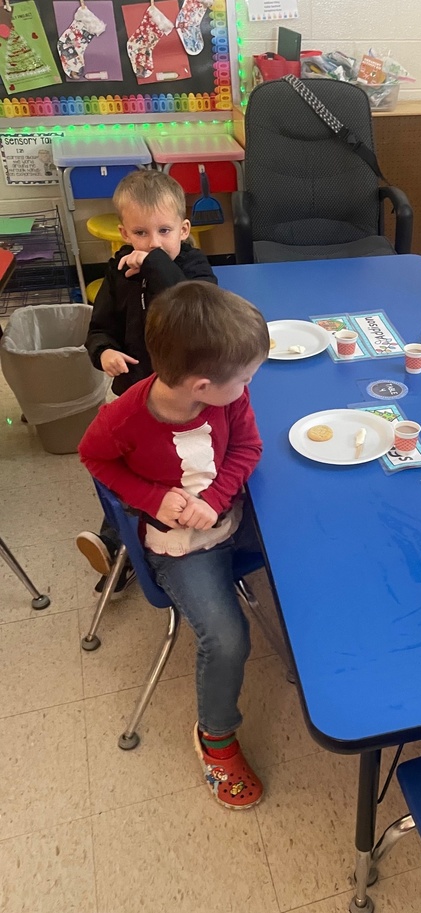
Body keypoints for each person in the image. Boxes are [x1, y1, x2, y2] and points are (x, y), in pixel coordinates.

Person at [79, 281, 270, 809]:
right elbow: (95, 460)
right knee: (227, 639)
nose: (251, 384)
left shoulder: (227, 397)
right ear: (203, 385)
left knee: (314, 541)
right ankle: (216, 738)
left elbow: (249, 446)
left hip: (230, 513)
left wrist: (215, 494)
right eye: (247, 377)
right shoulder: (122, 419)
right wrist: (151, 497)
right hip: (180, 546)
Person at [76, 168, 218, 593]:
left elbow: (195, 307)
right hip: (138, 393)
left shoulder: (191, 264)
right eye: (140, 233)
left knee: (174, 470)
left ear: (184, 230)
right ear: (123, 232)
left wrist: (155, 262)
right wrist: (104, 351)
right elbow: (98, 327)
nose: (152, 242)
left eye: (164, 231)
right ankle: (116, 548)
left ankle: (161, 535)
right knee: (126, 465)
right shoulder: (119, 272)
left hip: (187, 397)